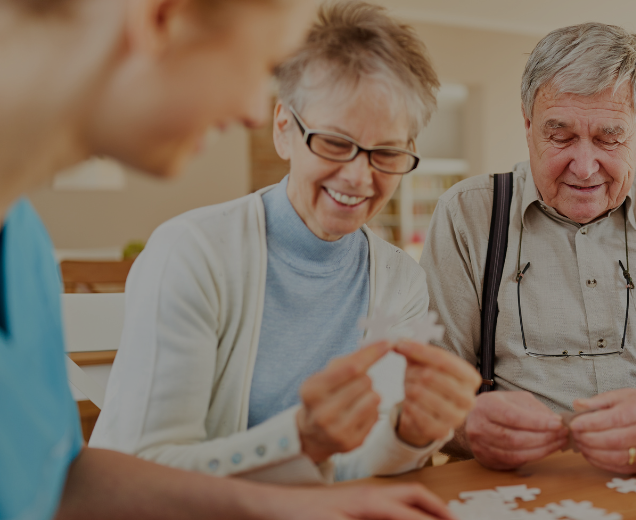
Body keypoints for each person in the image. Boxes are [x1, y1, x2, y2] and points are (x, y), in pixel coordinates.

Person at [0, 0, 455, 518]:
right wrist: (299, 441)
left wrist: (400, 434)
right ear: (160, 20)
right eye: (257, 64)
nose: (252, 112)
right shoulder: (192, 249)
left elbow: (64, 483)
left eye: (387, 152)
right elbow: (118, 472)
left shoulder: (25, 243)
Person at [420, 21, 636, 475]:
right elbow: (426, 396)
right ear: (527, 126)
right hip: (517, 488)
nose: (584, 167)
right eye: (560, 135)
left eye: (609, 137)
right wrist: (465, 425)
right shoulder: (466, 214)